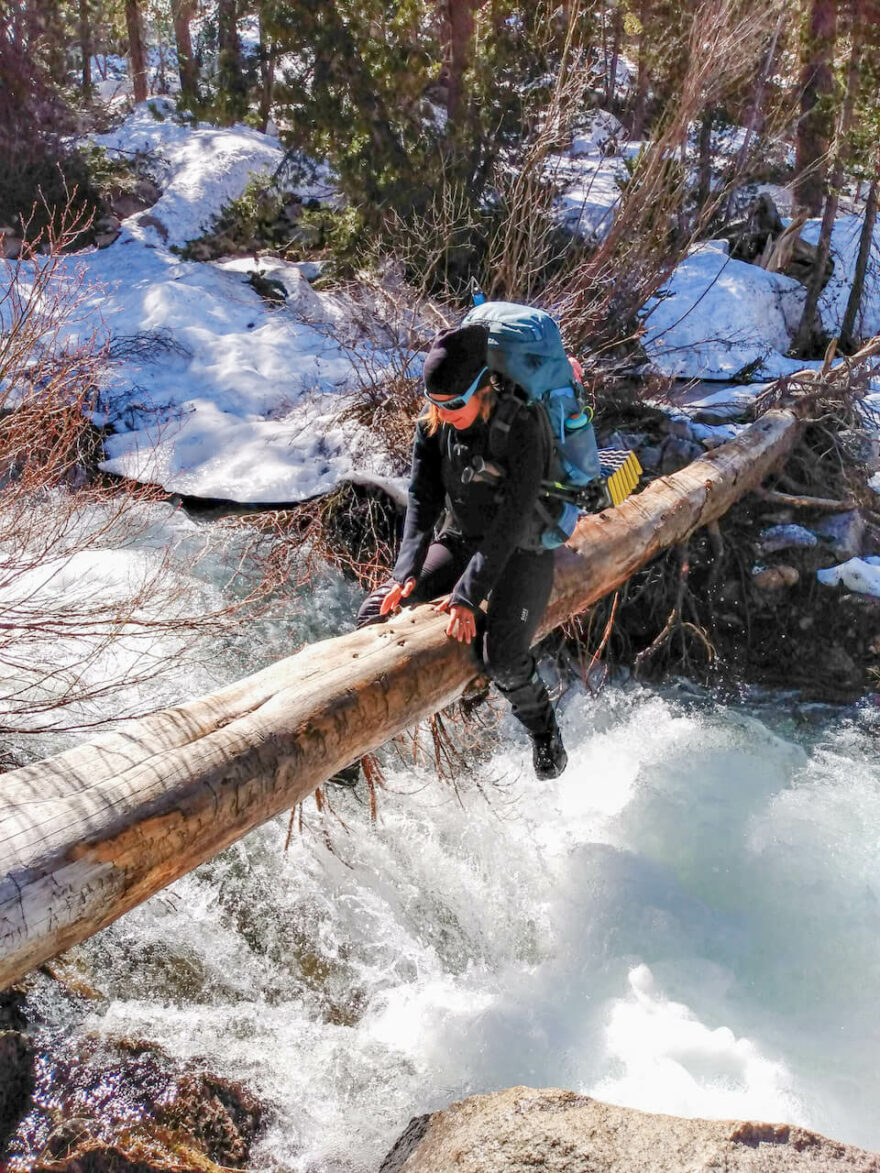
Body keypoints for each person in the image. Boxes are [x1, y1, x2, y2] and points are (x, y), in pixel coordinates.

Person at [357, 322, 567, 780]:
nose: (443, 412)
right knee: (375, 611)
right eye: (435, 402)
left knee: (503, 657)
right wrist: (403, 573)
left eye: (453, 403)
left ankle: (544, 732)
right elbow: (423, 497)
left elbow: (512, 520)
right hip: (462, 537)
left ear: (483, 388)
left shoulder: (521, 425)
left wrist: (467, 595)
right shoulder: (434, 422)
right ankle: (354, 747)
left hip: (522, 549)